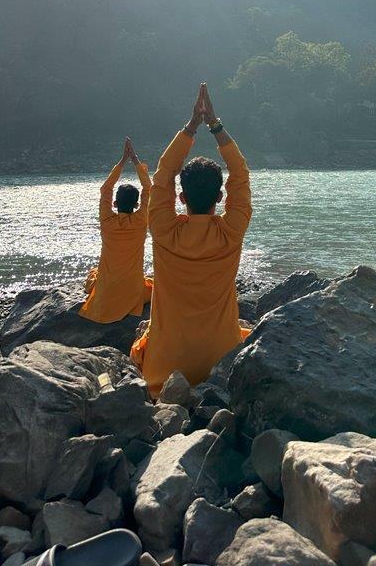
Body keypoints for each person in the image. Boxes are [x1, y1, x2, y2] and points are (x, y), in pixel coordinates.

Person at [131, 83, 252, 398]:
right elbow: (240, 173)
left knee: (141, 341)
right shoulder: (231, 231)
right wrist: (216, 125)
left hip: (164, 373)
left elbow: (163, 173)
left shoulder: (163, 230)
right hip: (221, 365)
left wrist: (191, 127)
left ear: (180, 196)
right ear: (221, 197)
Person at [79, 136, 154, 323]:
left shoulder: (107, 221)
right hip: (133, 291)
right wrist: (135, 160)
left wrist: (122, 162)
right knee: (155, 286)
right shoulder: (140, 221)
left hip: (107, 290)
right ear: (136, 204)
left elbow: (106, 189)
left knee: (94, 275)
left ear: (114, 203)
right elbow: (149, 189)